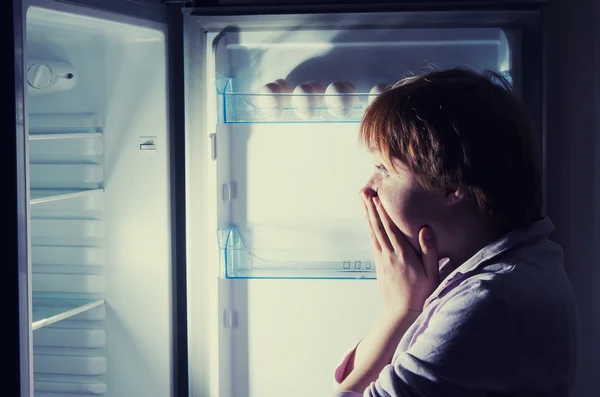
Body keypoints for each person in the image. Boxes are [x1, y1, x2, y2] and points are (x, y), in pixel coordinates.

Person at [332, 68, 578, 397]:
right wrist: (407, 304)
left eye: (383, 170)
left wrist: (399, 310)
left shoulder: (488, 302)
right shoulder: (492, 267)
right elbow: (353, 377)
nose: (367, 190)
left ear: (451, 188)